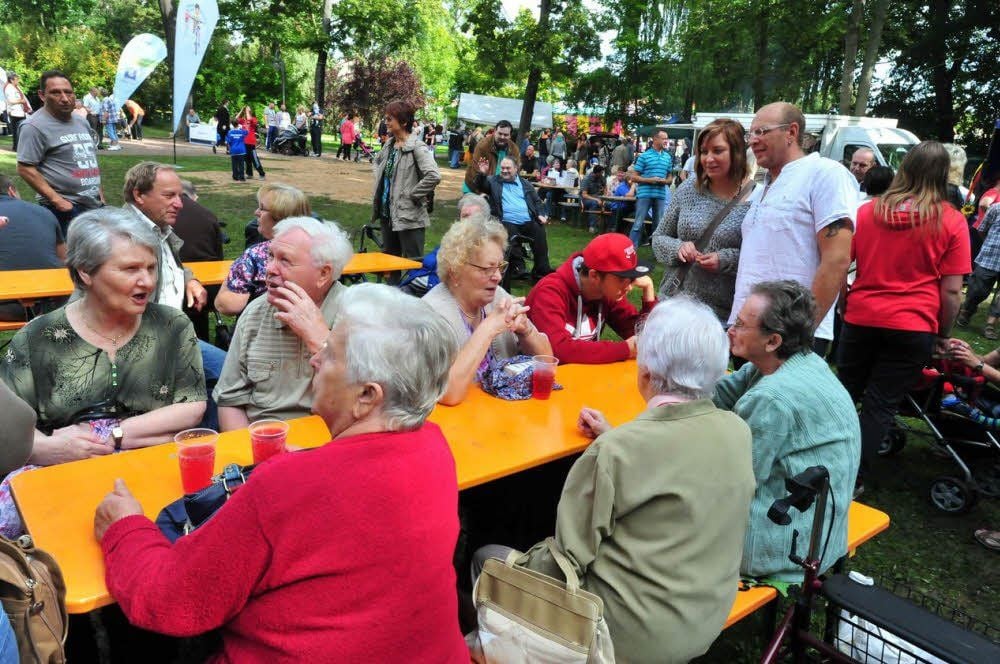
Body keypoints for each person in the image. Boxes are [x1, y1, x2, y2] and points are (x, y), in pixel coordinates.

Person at [93, 283, 469, 663]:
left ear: (367, 397)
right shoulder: (433, 446)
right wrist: (310, 466)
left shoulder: (287, 486)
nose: (315, 360)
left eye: (332, 354)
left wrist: (124, 528)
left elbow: (169, 601)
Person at [476, 296, 756, 663]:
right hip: (703, 617)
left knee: (485, 558)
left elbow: (564, 560)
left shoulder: (617, 452)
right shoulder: (737, 429)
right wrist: (614, 437)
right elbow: (672, 456)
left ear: (645, 373)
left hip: (622, 637)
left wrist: (517, 560)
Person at [0, 208, 206, 466]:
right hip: (65, 471)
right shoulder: (38, 337)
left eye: (151, 268)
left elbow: (192, 405)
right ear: (86, 272)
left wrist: (114, 435)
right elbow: (7, 425)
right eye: (131, 269)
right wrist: (46, 447)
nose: (148, 281)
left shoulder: (171, 324)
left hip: (155, 465)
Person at [839, 142, 971, 483]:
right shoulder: (952, 221)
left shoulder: (867, 212)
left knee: (843, 394)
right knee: (880, 404)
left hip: (862, 315)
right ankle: (855, 479)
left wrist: (844, 302)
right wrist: (943, 333)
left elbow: (841, 266)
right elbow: (952, 290)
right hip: (914, 324)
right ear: (944, 176)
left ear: (903, 169)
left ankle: (815, 462)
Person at [715, 280, 860, 580]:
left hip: (785, 544)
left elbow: (729, 481)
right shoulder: (792, 362)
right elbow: (717, 395)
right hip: (822, 530)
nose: (730, 329)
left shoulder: (771, 398)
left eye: (741, 325)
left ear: (773, 341)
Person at [730, 102, 856, 356]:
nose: (753, 140)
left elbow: (837, 259)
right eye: (750, 133)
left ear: (792, 132)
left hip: (789, 335)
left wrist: (802, 335)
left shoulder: (825, 174)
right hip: (749, 327)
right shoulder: (762, 187)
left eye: (762, 131)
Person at [214, 217, 354, 430]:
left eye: (285, 260)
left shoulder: (357, 315)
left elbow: (368, 406)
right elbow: (230, 400)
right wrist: (248, 454)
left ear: (323, 274)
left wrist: (320, 340)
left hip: (329, 444)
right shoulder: (255, 313)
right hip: (263, 443)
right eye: (271, 256)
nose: (269, 268)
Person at [423, 216, 552, 405]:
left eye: (500, 267)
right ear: (455, 272)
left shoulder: (498, 297)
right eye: (487, 269)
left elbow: (547, 362)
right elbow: (448, 394)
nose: (498, 277)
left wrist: (527, 331)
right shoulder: (431, 315)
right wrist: (489, 328)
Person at [652, 118, 754, 321]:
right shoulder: (690, 188)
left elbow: (760, 258)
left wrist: (725, 260)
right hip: (673, 301)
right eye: (704, 151)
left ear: (737, 152)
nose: (708, 158)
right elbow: (658, 237)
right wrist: (678, 248)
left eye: (717, 151)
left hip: (719, 314)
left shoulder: (756, 198)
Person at [526, 233, 656, 364]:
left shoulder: (609, 293)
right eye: (622, 279)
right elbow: (558, 350)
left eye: (632, 278)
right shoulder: (550, 292)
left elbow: (645, 338)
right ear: (594, 276)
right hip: (539, 377)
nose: (629, 287)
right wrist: (624, 349)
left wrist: (649, 294)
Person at [16, 70, 104, 234]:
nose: (64, 98)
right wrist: (57, 201)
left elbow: (89, 160)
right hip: (65, 209)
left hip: (93, 204)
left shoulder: (81, 122)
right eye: (55, 93)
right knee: (71, 257)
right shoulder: (34, 126)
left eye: (68, 92)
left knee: (97, 256)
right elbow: (25, 168)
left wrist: (100, 194)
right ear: (42, 95)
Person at [215, 184, 311, 316]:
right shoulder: (321, 250)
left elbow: (229, 306)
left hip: (261, 328)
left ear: (279, 216)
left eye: (262, 208)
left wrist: (229, 279)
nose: (256, 212)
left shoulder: (256, 255)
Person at [371, 100, 441, 269]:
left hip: (410, 217)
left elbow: (433, 175)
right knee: (389, 264)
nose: (386, 121)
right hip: (387, 214)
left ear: (403, 122)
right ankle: (390, 295)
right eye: (385, 118)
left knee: (412, 265)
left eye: (390, 118)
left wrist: (413, 195)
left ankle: (410, 295)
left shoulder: (417, 147)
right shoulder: (389, 145)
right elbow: (376, 162)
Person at [0, 173, 67, 321]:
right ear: (11, 191)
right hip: (51, 303)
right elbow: (65, 259)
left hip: (5, 308)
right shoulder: (44, 212)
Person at [475, 157, 553, 278]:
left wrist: (542, 214)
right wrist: (482, 174)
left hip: (527, 221)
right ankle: (518, 268)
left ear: (516, 169)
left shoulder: (526, 184)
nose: (504, 170)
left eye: (508, 168)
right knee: (509, 231)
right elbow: (481, 186)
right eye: (502, 168)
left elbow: (537, 202)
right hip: (506, 220)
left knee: (539, 230)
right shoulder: (493, 181)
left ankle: (541, 269)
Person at [173, 180, 226, 341]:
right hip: (207, 290)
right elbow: (219, 259)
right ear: (193, 196)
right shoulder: (208, 214)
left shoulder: (161, 215)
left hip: (175, 288)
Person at [627, 129, 673, 246]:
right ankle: (631, 250)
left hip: (660, 195)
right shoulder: (644, 156)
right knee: (638, 223)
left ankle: (657, 251)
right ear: (655, 139)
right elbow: (634, 177)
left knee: (659, 225)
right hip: (645, 194)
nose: (666, 141)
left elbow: (670, 178)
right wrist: (650, 180)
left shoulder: (667, 157)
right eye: (663, 138)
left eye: (667, 138)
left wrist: (665, 181)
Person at [464, 120, 520, 195]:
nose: (502, 137)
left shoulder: (513, 149)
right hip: (476, 186)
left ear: (510, 135)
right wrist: (481, 193)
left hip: (500, 188)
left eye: (506, 135)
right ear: (494, 132)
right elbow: (476, 170)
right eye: (500, 133)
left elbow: (516, 170)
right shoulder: (483, 146)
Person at [3, 72, 31, 151]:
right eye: (16, 79)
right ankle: (18, 147)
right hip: (15, 111)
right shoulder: (9, 88)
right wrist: (21, 101)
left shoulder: (16, 87)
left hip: (20, 111)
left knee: (18, 130)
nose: (18, 81)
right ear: (11, 80)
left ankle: (16, 147)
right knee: (20, 130)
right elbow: (10, 101)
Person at [237, 106, 266, 179]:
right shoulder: (243, 120)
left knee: (254, 159)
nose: (247, 109)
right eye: (246, 109)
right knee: (246, 159)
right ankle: (249, 174)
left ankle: (261, 174)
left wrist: (247, 111)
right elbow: (236, 119)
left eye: (248, 108)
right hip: (244, 142)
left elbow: (249, 119)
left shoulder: (253, 119)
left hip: (251, 142)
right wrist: (241, 110)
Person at [580, 164, 608, 234]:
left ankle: (607, 227)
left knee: (610, 204)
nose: (602, 174)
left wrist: (605, 196)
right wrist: (596, 199)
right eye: (601, 173)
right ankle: (592, 226)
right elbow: (584, 194)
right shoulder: (587, 179)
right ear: (597, 173)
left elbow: (605, 188)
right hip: (586, 199)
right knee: (594, 203)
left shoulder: (601, 178)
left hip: (599, 197)